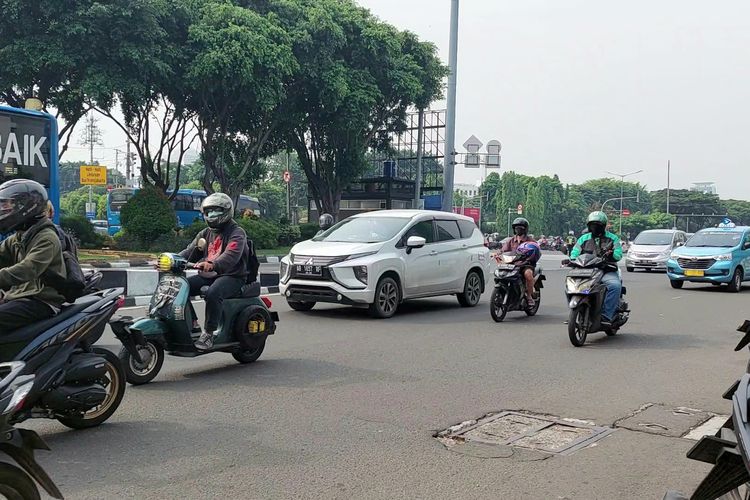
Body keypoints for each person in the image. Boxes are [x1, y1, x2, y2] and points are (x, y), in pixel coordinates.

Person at [179, 193, 249, 351]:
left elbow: (231, 256)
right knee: (180, 287)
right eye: (208, 212)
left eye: (216, 212)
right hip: (210, 275)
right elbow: (189, 252)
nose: (212, 216)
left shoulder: (237, 233)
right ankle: (193, 324)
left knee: (213, 292)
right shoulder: (205, 234)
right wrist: (169, 259)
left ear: (226, 211)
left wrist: (213, 264)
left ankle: (208, 333)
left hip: (232, 276)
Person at [0, 179, 66, 332]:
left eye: (7, 204)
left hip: (41, 300)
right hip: (20, 295)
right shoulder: (18, 237)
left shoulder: (46, 237)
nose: (3, 209)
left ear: (26, 207)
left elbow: (27, 270)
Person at [569, 211, 623, 325]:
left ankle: (606, 316)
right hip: (586, 270)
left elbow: (618, 254)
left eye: (597, 225)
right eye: (592, 225)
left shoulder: (613, 238)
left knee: (615, 286)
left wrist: (611, 255)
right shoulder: (583, 238)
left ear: (603, 226)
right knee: (571, 284)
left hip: (606, 269)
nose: (595, 228)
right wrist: (571, 260)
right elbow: (574, 253)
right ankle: (575, 311)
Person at [499, 217, 538, 307]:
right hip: (511, 264)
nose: (518, 229)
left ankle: (529, 296)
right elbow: (503, 251)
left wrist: (529, 258)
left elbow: (537, 252)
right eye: (516, 228)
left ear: (525, 229)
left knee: (528, 274)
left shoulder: (531, 241)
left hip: (526, 265)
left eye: (520, 228)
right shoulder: (511, 241)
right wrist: (498, 254)